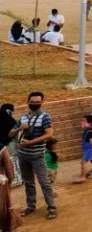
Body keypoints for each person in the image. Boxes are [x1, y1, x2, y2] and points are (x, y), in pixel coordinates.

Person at [10, 91, 56, 219]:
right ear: (28, 102)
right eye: (32, 102)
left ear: (42, 103)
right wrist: (19, 128)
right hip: (23, 154)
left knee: (44, 182)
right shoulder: (23, 117)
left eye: (37, 102)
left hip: (37, 155)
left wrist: (30, 142)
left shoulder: (45, 117)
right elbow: (10, 134)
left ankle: (51, 206)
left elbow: (49, 134)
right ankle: (31, 206)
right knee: (28, 182)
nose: (35, 104)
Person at [72, 114, 92, 184]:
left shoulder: (90, 131)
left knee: (83, 162)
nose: (82, 122)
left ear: (90, 123)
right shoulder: (89, 130)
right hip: (91, 148)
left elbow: (91, 141)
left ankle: (82, 177)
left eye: (84, 121)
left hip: (90, 148)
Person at [0, 141, 17, 231]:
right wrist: (10, 181)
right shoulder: (1, 147)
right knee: (3, 206)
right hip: (1, 182)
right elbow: (8, 167)